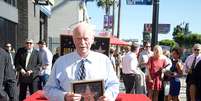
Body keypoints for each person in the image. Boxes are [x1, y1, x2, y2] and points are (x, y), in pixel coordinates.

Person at [44, 22, 119, 101]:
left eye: (85, 38)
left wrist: (108, 96)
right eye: (78, 38)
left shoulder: (104, 61)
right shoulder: (60, 62)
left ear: (92, 39)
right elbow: (48, 89)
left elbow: (113, 84)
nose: (82, 42)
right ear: (73, 39)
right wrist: (64, 96)